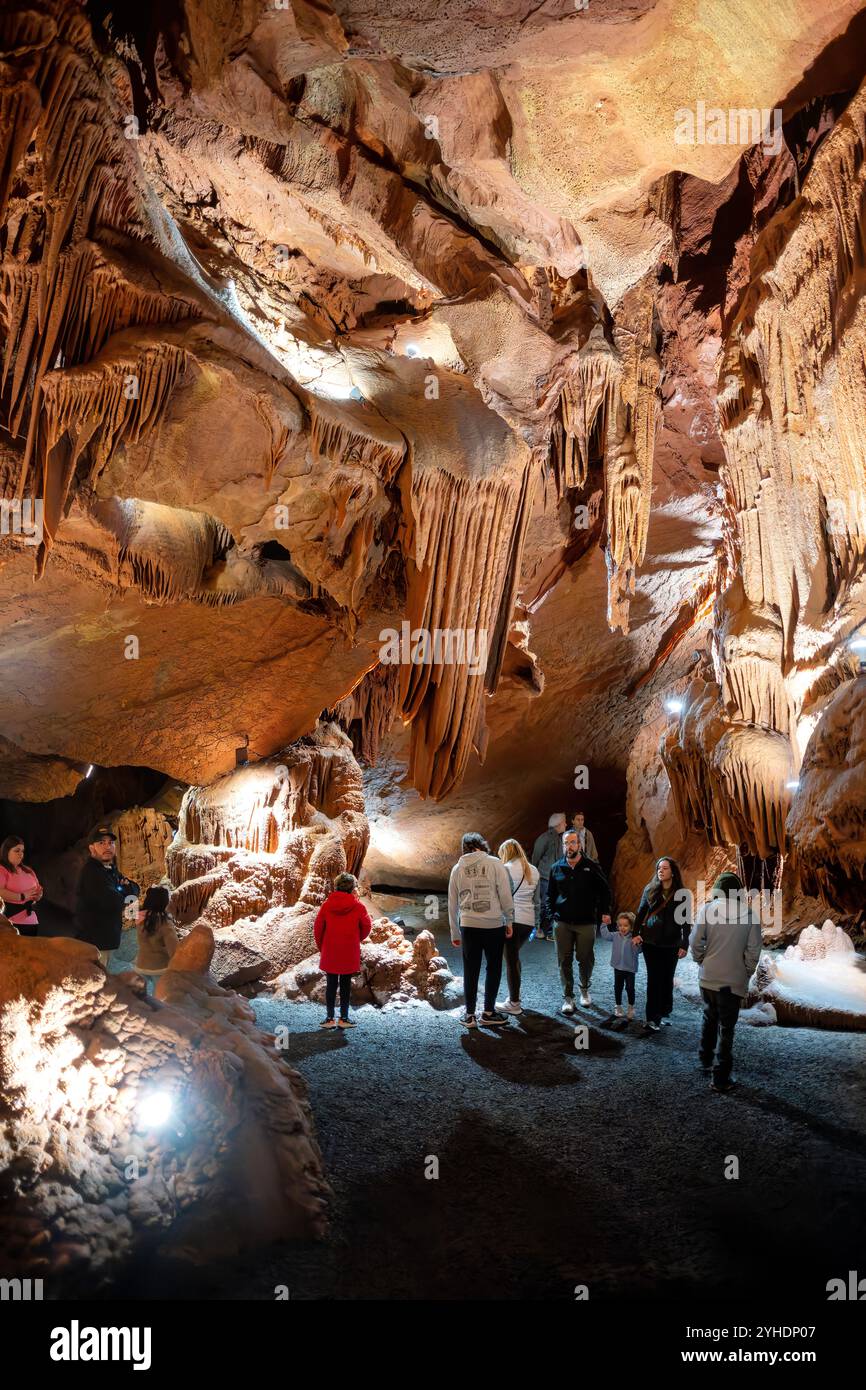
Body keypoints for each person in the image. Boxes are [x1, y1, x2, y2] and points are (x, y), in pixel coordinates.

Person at [690, 871, 763, 1093]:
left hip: (708, 977)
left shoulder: (707, 909)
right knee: (727, 1028)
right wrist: (746, 972)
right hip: (732, 981)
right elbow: (753, 951)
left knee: (709, 1016)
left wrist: (701, 960)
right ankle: (720, 1077)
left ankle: (704, 1060)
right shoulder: (750, 915)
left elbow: (694, 941)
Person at [449, 832, 514, 1028]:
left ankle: (469, 1015)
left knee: (471, 969)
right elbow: (505, 894)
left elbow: (453, 903)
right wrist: (509, 919)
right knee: (493, 968)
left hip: (468, 925)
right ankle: (488, 1012)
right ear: (481, 845)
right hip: (493, 924)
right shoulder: (495, 863)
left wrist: (454, 931)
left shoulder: (457, 868)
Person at [547, 830, 612, 1012]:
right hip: (562, 923)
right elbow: (550, 895)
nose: (569, 846)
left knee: (585, 958)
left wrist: (605, 911)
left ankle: (584, 989)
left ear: (580, 844)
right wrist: (551, 915)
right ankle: (568, 997)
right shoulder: (556, 868)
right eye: (566, 843)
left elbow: (605, 890)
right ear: (563, 845)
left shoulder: (591, 866)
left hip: (586, 922)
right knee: (563, 960)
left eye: (573, 842)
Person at [631, 856, 691, 1033]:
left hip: (671, 943)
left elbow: (686, 922)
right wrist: (635, 934)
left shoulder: (682, 894)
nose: (661, 871)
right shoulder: (650, 890)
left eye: (664, 868)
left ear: (672, 871)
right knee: (654, 979)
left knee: (666, 979)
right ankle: (651, 1018)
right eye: (659, 868)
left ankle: (663, 1012)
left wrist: (684, 943)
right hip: (651, 942)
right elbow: (641, 913)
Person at [74, 827, 140, 968]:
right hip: (94, 942)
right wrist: (125, 892)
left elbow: (135, 888)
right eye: (101, 843)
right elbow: (114, 902)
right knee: (96, 982)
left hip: (105, 939)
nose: (107, 847)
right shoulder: (92, 873)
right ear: (92, 848)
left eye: (110, 843)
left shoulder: (110, 870)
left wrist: (125, 890)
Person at [314, 872, 372, 1029]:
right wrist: (356, 939)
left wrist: (323, 946)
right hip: (349, 950)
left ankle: (329, 1018)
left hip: (330, 950)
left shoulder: (326, 905)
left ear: (336, 886)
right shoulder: (358, 906)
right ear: (352, 888)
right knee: (346, 984)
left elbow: (318, 928)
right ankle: (344, 1018)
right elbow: (367, 927)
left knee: (331, 984)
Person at [497, 838, 540, 1015]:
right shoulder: (534, 871)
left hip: (511, 920)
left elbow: (500, 896)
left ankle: (514, 1003)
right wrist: (536, 924)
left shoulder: (505, 869)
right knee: (514, 957)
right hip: (527, 922)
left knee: (511, 960)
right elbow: (536, 900)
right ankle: (516, 994)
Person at [133, 885, 180, 993]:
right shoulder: (165, 923)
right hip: (160, 967)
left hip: (141, 964)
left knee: (139, 997)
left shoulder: (139, 917)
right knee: (161, 997)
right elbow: (174, 950)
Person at [531, 812, 566, 940]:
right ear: (559, 824)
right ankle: (538, 928)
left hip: (555, 876)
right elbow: (536, 856)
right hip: (545, 876)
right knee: (544, 904)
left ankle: (550, 932)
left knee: (552, 903)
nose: (566, 824)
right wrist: (534, 873)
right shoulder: (545, 838)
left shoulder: (559, 837)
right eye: (564, 822)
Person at [0, 836, 43, 936]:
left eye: (22, 851)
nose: (21, 854)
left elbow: (38, 889)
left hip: (31, 921)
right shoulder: (2, 870)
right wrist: (22, 896)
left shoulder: (27, 870)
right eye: (17, 850)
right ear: (7, 852)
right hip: (11, 923)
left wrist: (39, 895)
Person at [610, 910, 640, 1019]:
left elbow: (639, 950)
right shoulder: (615, 935)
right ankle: (618, 1006)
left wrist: (638, 942)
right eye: (620, 925)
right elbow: (605, 935)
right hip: (618, 967)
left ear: (631, 926)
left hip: (630, 969)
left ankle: (631, 1007)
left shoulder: (634, 938)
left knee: (630, 988)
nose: (622, 928)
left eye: (626, 926)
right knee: (618, 987)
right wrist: (604, 924)